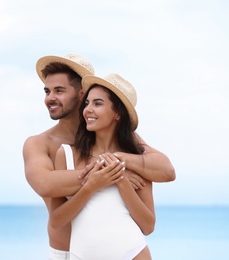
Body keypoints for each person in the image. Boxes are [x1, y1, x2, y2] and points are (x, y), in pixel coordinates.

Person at [23, 54, 175, 259]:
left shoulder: (122, 140)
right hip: (66, 253)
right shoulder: (42, 144)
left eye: (59, 90)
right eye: (47, 91)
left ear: (81, 94)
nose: (50, 98)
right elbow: (44, 184)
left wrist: (117, 163)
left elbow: (165, 170)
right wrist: (108, 175)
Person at [50, 73, 155, 259]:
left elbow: (148, 226)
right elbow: (56, 221)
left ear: (117, 113)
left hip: (133, 254)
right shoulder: (65, 154)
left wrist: (119, 179)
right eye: (87, 103)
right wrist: (91, 186)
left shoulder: (135, 159)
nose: (88, 109)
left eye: (97, 103)